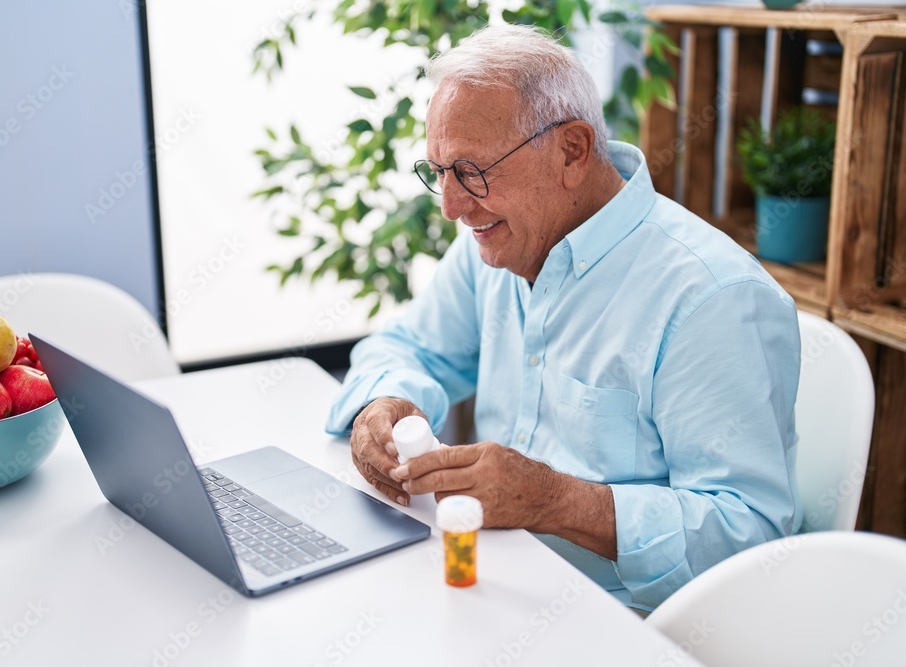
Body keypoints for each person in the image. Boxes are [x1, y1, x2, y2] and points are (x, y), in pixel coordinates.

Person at [325, 23, 801, 612]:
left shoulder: (713, 297)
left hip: (626, 625)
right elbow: (410, 347)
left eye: (472, 171)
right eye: (439, 172)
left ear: (572, 151)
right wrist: (383, 401)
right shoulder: (493, 237)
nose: (451, 206)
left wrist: (557, 502)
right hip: (491, 582)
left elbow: (750, 538)